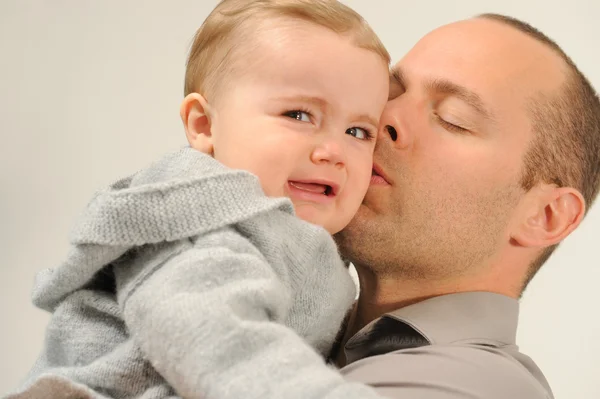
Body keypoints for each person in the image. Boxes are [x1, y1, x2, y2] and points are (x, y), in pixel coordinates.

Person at [6, 1, 390, 398]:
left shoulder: (312, 248)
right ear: (203, 124)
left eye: (359, 132)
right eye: (298, 115)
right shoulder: (199, 227)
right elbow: (221, 342)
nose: (333, 150)